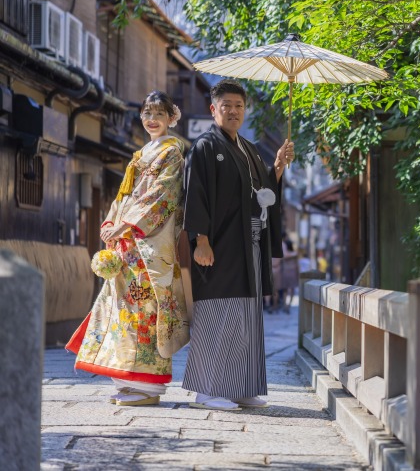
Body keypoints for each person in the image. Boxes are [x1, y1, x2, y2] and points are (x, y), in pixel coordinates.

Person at [66, 91, 190, 406]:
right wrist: (112, 223)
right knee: (123, 311)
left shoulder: (172, 152)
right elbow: (125, 196)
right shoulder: (139, 154)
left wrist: (130, 224)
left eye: (158, 114)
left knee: (146, 311)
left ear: (171, 118)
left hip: (149, 246)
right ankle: (126, 378)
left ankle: (149, 387)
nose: (152, 120)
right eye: (147, 114)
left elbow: (163, 194)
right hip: (128, 246)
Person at [182, 79, 295, 411]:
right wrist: (200, 239)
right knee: (218, 313)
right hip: (218, 244)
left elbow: (264, 193)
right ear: (213, 109)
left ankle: (242, 386)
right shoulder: (204, 146)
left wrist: (277, 166)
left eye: (239, 106)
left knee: (246, 316)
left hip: (249, 244)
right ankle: (207, 389)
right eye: (226, 105)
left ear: (245, 111)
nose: (233, 111)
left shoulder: (247, 149)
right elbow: (196, 194)